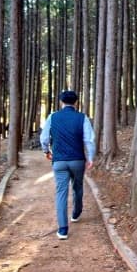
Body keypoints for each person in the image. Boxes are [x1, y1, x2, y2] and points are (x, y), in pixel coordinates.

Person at [40, 90, 95, 240]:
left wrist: (46, 151)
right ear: (76, 102)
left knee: (61, 193)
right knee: (78, 187)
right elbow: (89, 140)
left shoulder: (53, 117)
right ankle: (76, 213)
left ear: (61, 102)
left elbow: (44, 138)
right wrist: (90, 157)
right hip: (77, 160)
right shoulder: (82, 118)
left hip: (59, 161)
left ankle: (63, 229)